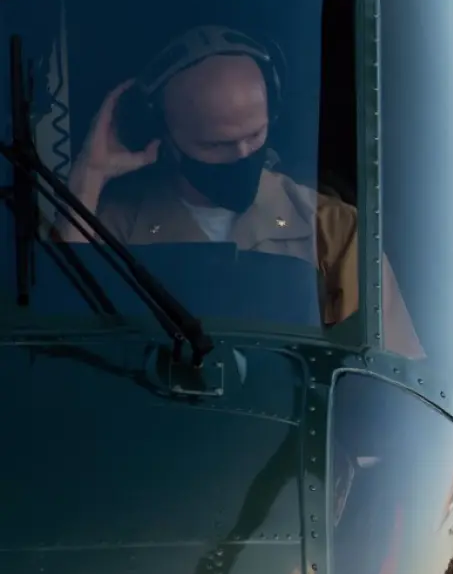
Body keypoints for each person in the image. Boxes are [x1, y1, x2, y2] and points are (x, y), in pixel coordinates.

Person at [52, 25, 422, 357]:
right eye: (216, 145)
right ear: (166, 136)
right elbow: (64, 338)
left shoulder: (334, 230)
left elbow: (385, 375)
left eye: (255, 135)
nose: (244, 155)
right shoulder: (114, 225)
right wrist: (89, 175)